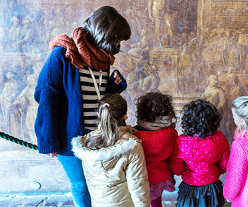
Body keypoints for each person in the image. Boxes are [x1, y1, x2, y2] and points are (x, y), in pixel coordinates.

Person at [34, 6, 131, 207]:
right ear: (105, 34)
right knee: (81, 185)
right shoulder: (63, 54)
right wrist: (47, 139)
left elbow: (98, 95)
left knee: (100, 183)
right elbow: (46, 95)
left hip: (99, 136)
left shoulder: (103, 62)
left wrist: (114, 87)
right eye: (116, 40)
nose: (118, 46)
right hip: (71, 138)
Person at [71, 94, 150, 207]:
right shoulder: (131, 145)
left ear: (99, 114)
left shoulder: (87, 142)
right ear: (125, 116)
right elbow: (138, 185)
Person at [170, 100, 230, 207]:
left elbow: (176, 169)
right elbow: (225, 165)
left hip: (189, 188)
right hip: (212, 187)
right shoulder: (220, 138)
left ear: (187, 121)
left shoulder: (181, 142)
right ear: (213, 121)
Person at [134, 92, 178, 207]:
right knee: (156, 202)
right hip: (162, 176)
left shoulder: (135, 134)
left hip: (142, 176)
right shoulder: (171, 133)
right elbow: (173, 158)